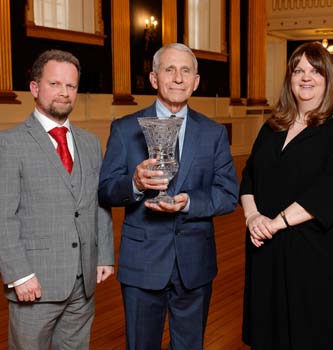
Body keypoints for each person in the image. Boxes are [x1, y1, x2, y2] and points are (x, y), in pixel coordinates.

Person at [98, 43, 239, 350]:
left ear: (196, 81)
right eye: (169, 70)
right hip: (142, 265)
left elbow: (229, 194)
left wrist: (189, 202)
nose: (178, 78)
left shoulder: (213, 133)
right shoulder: (124, 130)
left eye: (186, 70)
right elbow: (105, 190)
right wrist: (134, 183)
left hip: (195, 265)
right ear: (153, 78)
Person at [0, 49, 115, 350]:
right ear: (34, 88)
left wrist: (104, 253)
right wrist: (19, 275)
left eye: (71, 86)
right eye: (54, 84)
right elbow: (0, 216)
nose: (64, 93)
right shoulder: (8, 144)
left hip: (83, 283)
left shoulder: (90, 143)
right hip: (35, 284)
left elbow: (98, 203)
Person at [240, 42, 333, 349]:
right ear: (290, 78)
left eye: (315, 70)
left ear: (328, 78)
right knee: (266, 332)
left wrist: (275, 223)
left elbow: (331, 189)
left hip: (315, 252)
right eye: (299, 70)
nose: (305, 77)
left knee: (310, 334)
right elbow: (249, 176)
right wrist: (253, 216)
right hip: (265, 247)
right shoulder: (273, 125)